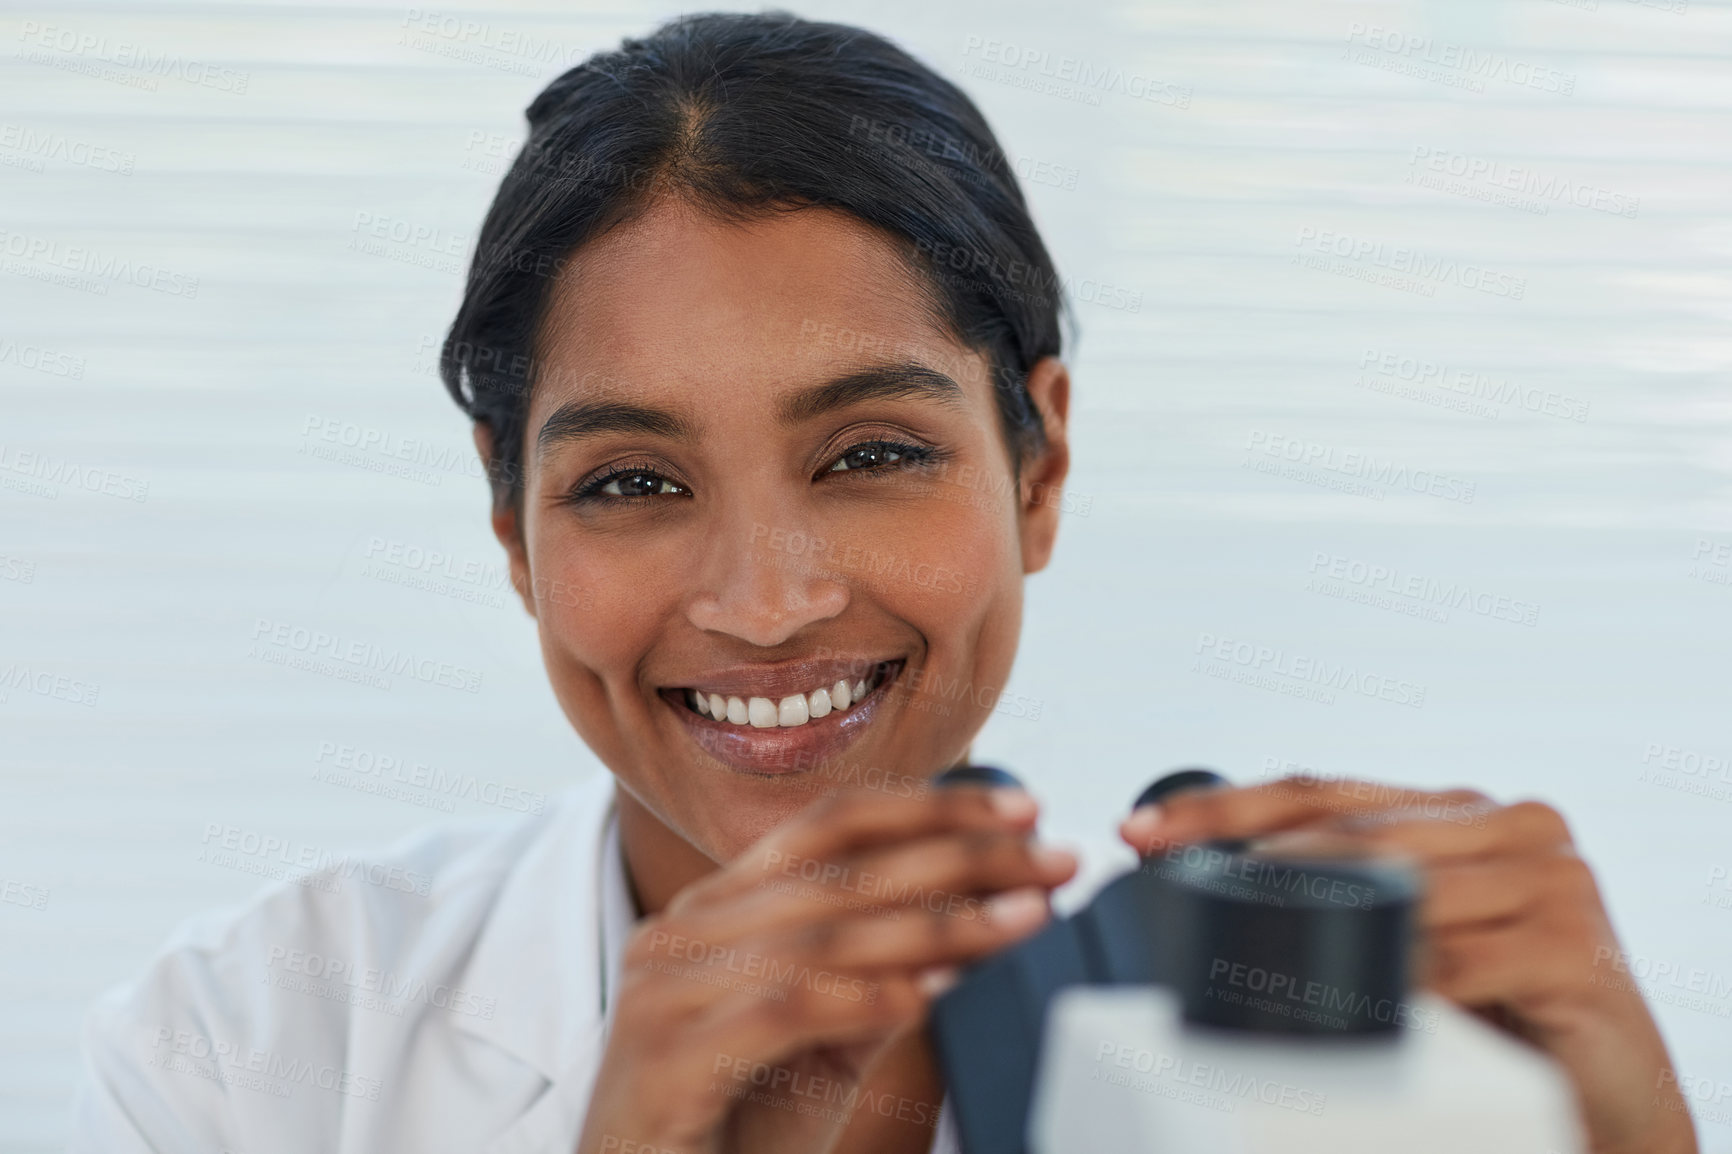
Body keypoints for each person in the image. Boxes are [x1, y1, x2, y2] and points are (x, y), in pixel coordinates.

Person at [71, 12, 1698, 1154]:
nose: (767, 603)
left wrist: (1635, 1139)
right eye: (631, 483)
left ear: (1037, 466)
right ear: (513, 531)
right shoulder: (253, 1055)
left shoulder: (1307, 1064)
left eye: (870, 454)